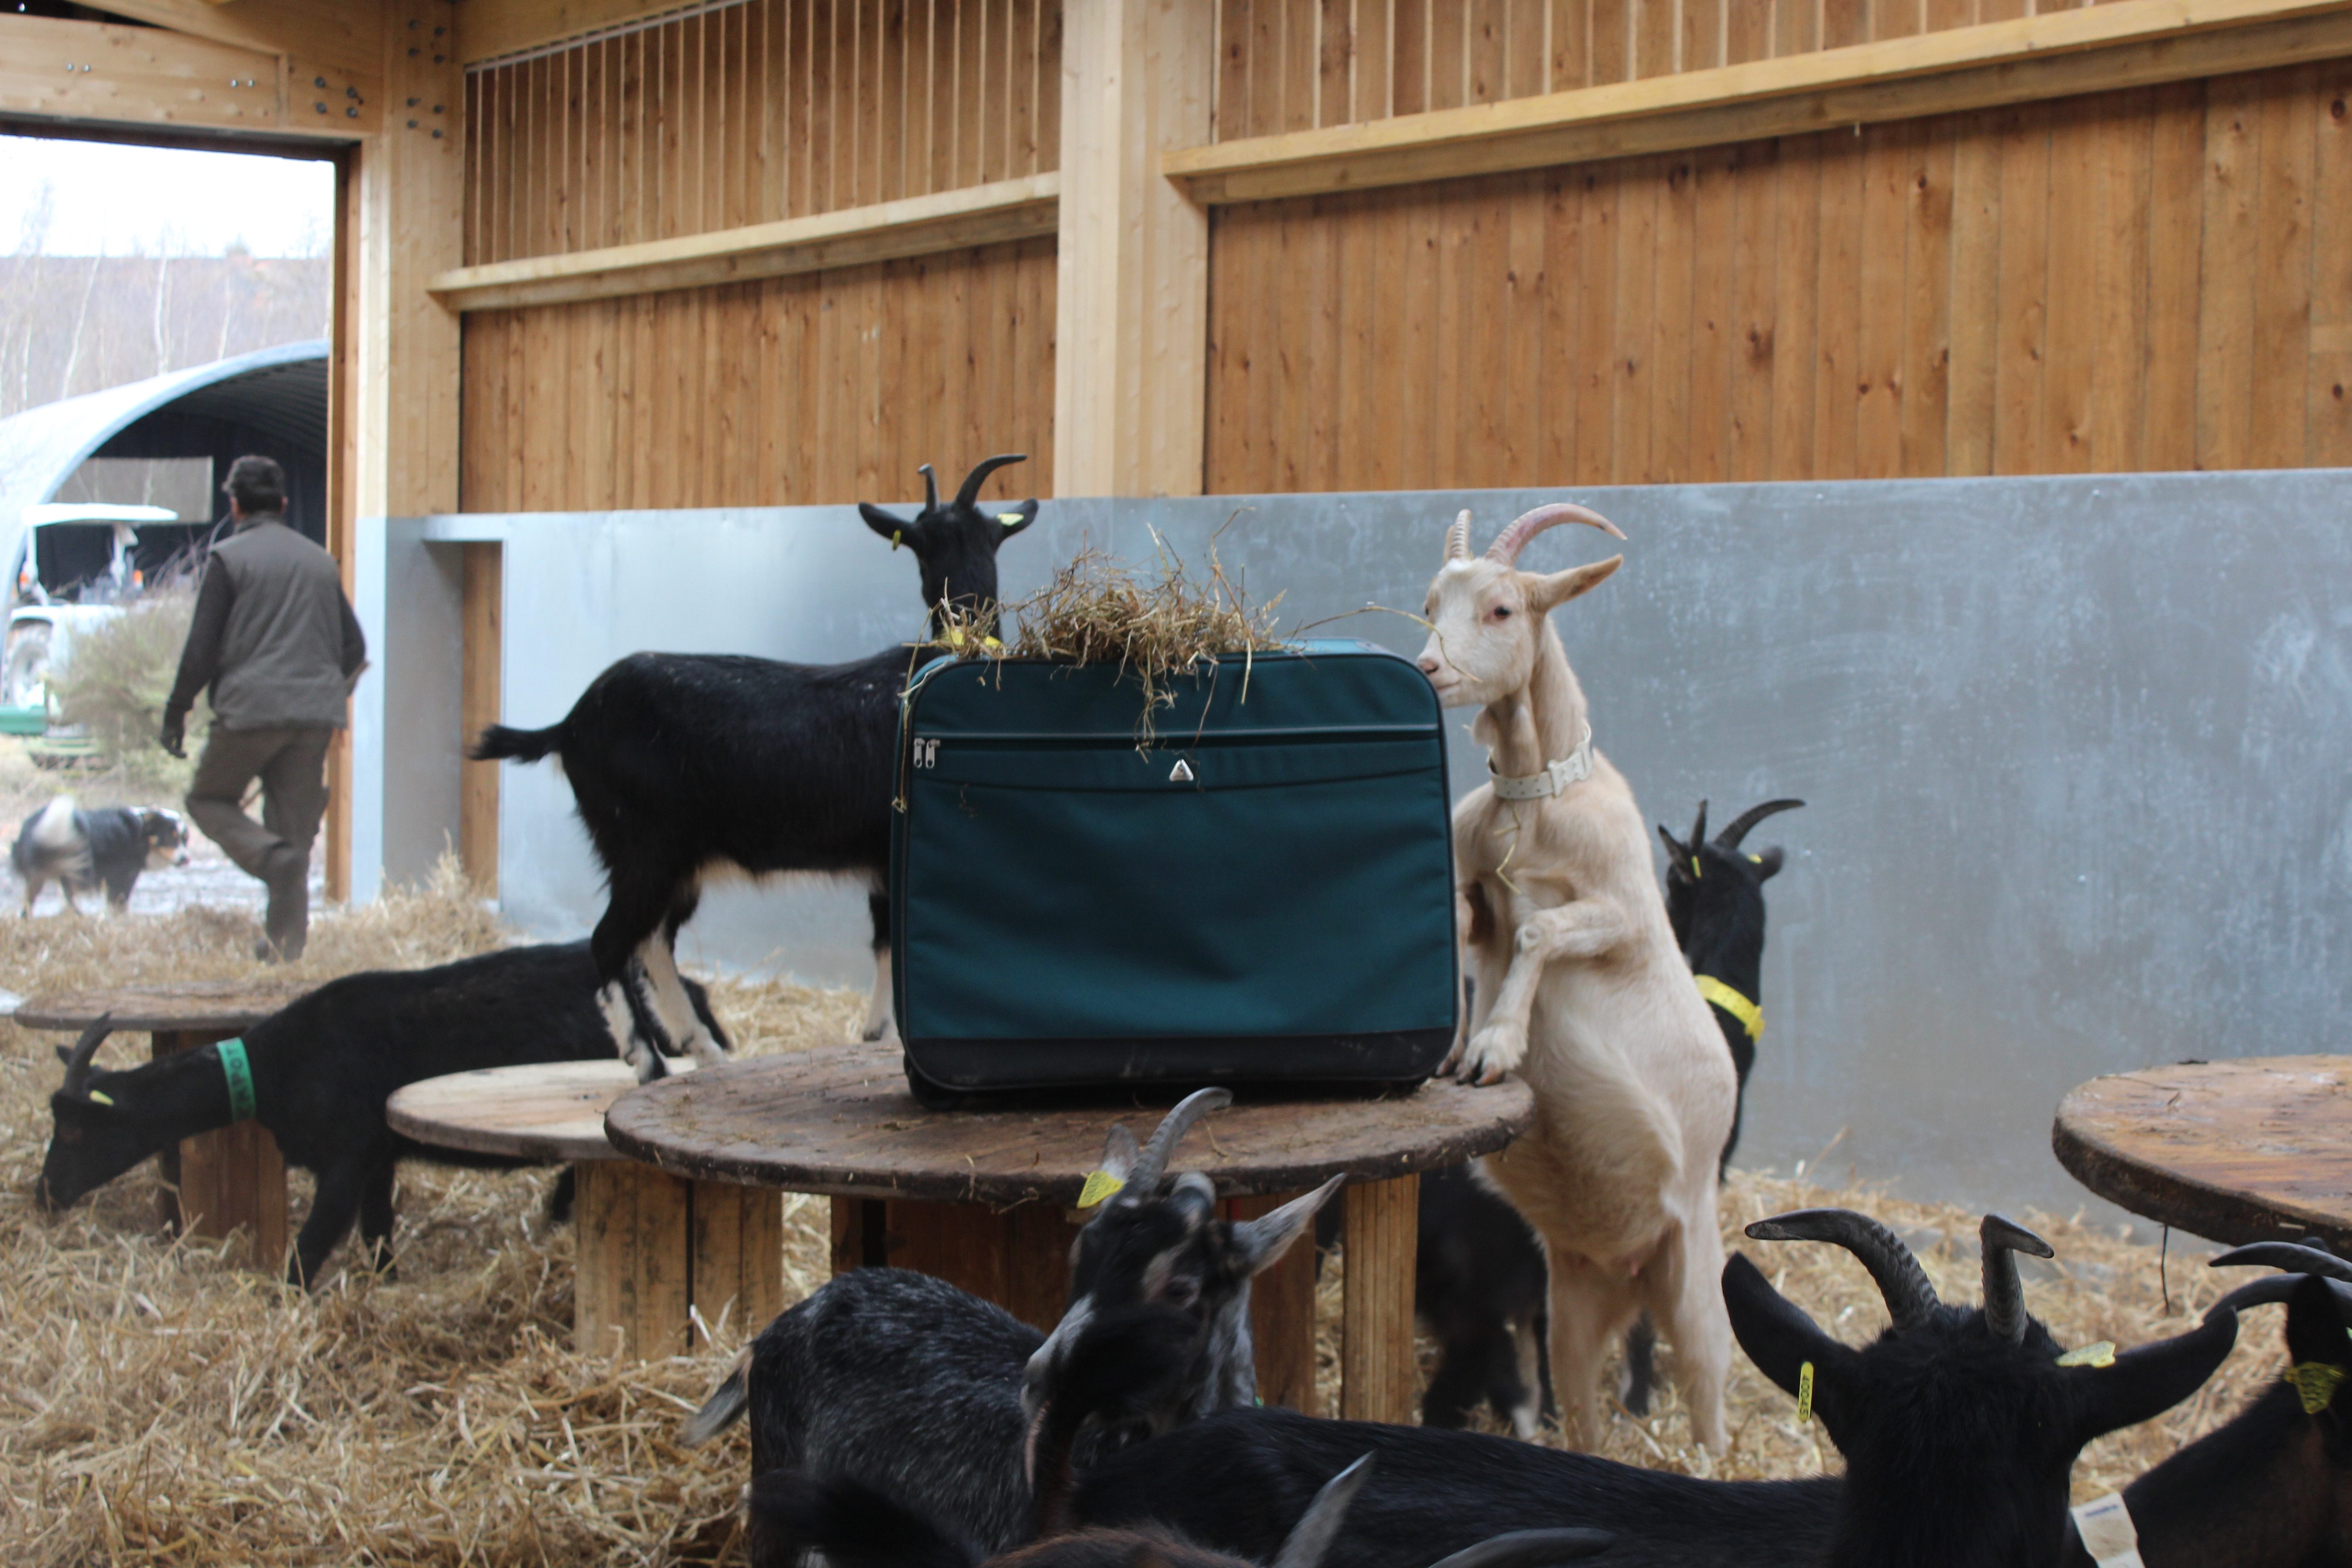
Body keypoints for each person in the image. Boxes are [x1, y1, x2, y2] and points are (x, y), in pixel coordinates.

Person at [161, 456, 365, 960]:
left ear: (235, 505)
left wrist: (177, 710)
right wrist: (320, 690)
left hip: (249, 712)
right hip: (314, 718)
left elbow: (201, 649)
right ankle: (285, 951)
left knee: (209, 800)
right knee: (293, 834)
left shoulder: (228, 560)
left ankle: (271, 860)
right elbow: (355, 649)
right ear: (284, 504)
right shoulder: (320, 561)